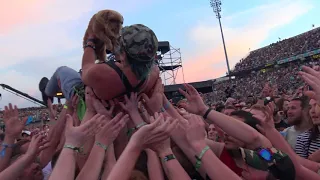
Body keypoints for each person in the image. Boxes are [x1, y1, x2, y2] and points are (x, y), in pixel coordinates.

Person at [39, 24, 160, 114]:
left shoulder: (103, 73)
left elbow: (86, 67)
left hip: (85, 103)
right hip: (115, 96)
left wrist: (90, 42)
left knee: (62, 70)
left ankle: (46, 92)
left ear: (123, 55)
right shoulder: (152, 75)